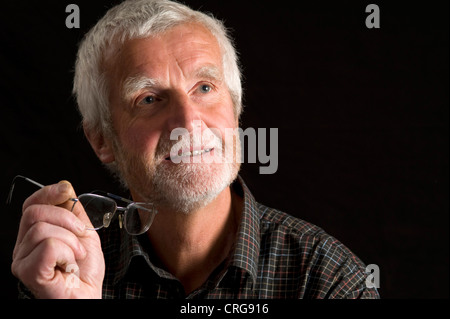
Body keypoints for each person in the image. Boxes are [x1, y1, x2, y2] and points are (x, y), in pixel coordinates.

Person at [11, 0, 379, 299]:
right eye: (149, 98)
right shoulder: (62, 272)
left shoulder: (329, 280)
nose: (188, 124)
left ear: (235, 110)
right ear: (102, 141)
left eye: (204, 88)